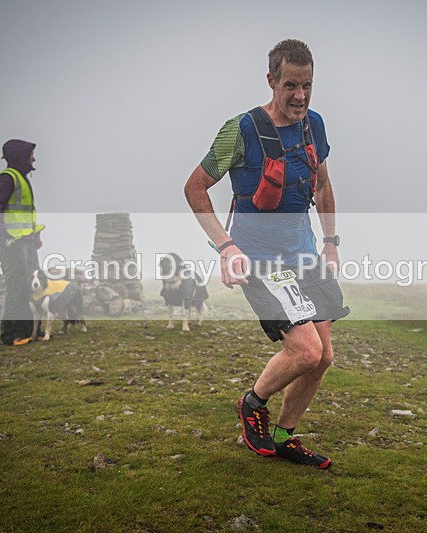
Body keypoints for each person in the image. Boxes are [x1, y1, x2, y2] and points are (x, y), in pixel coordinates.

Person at [184, 39, 349, 469]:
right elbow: (195, 187)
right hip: (260, 261)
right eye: (291, 85)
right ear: (271, 80)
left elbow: (322, 184)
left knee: (324, 357)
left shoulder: (314, 125)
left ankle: (283, 438)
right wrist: (226, 246)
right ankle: (252, 403)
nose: (300, 96)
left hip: (307, 256)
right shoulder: (240, 129)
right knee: (306, 352)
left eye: (308, 85)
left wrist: (330, 243)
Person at [0, 139, 44, 346]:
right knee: (16, 287)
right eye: (31, 155)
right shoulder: (8, 179)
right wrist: (3, 235)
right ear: (21, 156)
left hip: (27, 242)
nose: (34, 158)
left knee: (31, 285)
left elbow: (27, 213)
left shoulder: (22, 179)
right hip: (12, 243)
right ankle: (11, 335)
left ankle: (30, 331)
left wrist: (35, 236)